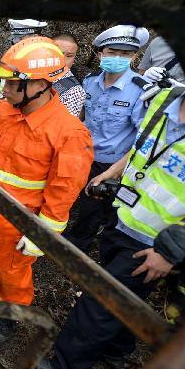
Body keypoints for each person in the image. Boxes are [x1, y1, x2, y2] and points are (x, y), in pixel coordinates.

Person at [36, 83, 185, 369]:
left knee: (99, 301)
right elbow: (144, 146)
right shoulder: (167, 97)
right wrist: (111, 172)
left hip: (156, 239)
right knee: (129, 297)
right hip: (124, 215)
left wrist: (171, 250)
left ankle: (68, 368)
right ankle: (116, 349)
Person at [0, 37, 93, 343]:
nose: (4, 90)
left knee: (11, 269)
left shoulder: (68, 134)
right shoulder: (1, 111)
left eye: (12, 84)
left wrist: (42, 235)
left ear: (38, 85)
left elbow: (63, 192)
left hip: (18, 220)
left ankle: (11, 312)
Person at [63, 25, 149, 253]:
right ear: (100, 53)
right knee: (68, 199)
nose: (118, 58)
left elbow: (144, 140)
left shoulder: (140, 90)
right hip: (81, 155)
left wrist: (113, 173)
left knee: (92, 212)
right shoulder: (90, 81)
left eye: (125, 54)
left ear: (135, 56)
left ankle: (75, 250)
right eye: (112, 52)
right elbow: (81, 118)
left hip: (110, 163)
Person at [51, 33, 87, 117]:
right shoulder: (32, 72)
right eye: (58, 53)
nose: (63, 60)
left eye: (69, 56)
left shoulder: (73, 91)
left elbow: (65, 125)